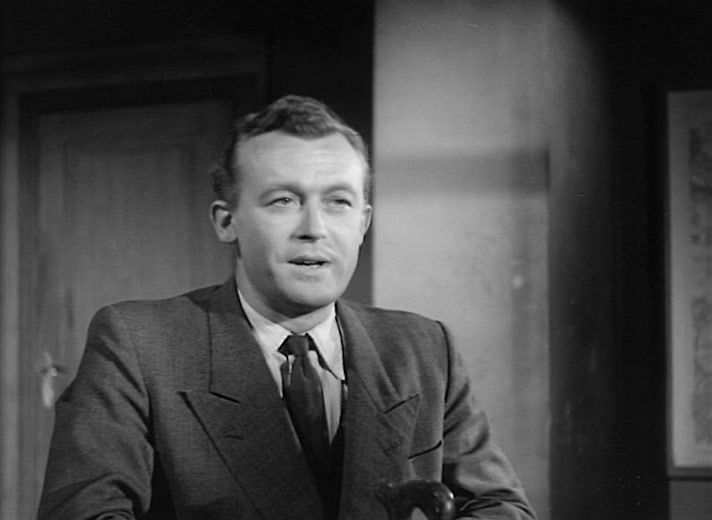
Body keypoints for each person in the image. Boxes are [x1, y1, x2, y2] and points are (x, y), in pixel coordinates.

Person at [37, 95, 536, 520]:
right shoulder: (140, 343)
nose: (314, 228)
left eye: (338, 202)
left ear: (363, 223)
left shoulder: (424, 348)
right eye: (283, 201)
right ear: (226, 221)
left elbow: (500, 506)